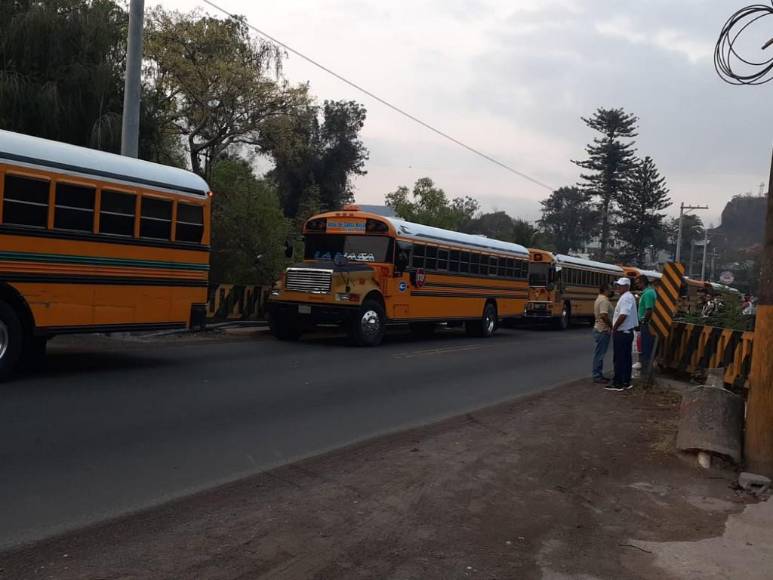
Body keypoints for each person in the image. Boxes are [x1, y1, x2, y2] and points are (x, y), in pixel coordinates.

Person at [609, 277, 638, 391]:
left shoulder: (626, 298)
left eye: (620, 286)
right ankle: (626, 381)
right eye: (617, 285)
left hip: (622, 332)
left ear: (626, 287)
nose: (618, 287)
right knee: (626, 358)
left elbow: (623, 314)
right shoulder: (628, 297)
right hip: (627, 332)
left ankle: (618, 383)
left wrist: (615, 327)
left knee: (619, 358)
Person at [592, 283, 614, 384]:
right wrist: (612, 326)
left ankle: (598, 374)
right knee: (600, 354)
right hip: (603, 330)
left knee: (598, 353)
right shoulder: (604, 301)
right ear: (605, 290)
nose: (611, 291)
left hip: (598, 328)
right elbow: (604, 315)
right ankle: (597, 375)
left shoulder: (599, 299)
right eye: (610, 289)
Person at [637, 275, 657, 371]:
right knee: (645, 345)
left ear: (643, 282)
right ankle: (646, 367)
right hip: (647, 323)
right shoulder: (648, 292)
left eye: (638, 283)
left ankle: (646, 369)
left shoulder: (648, 293)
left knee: (646, 346)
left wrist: (643, 321)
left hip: (646, 324)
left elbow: (649, 309)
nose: (637, 285)